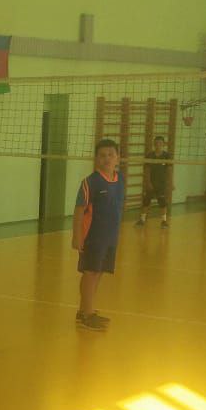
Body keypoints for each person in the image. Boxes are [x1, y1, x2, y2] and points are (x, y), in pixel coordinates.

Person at [73, 139, 124, 332]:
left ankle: (84, 311)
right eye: (102, 155)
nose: (107, 159)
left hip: (110, 236)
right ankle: (87, 314)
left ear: (118, 158)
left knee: (99, 271)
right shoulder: (90, 182)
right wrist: (77, 236)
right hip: (92, 236)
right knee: (90, 272)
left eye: (111, 155)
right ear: (96, 159)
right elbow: (79, 210)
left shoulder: (120, 180)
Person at [136, 135, 171, 229]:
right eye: (156, 143)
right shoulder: (149, 155)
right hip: (151, 182)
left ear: (163, 144)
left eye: (160, 143)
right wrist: (148, 182)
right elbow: (147, 170)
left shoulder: (167, 156)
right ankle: (142, 220)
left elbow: (169, 170)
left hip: (161, 183)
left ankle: (164, 221)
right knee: (146, 201)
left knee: (162, 202)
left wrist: (170, 183)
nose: (158, 145)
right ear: (154, 144)